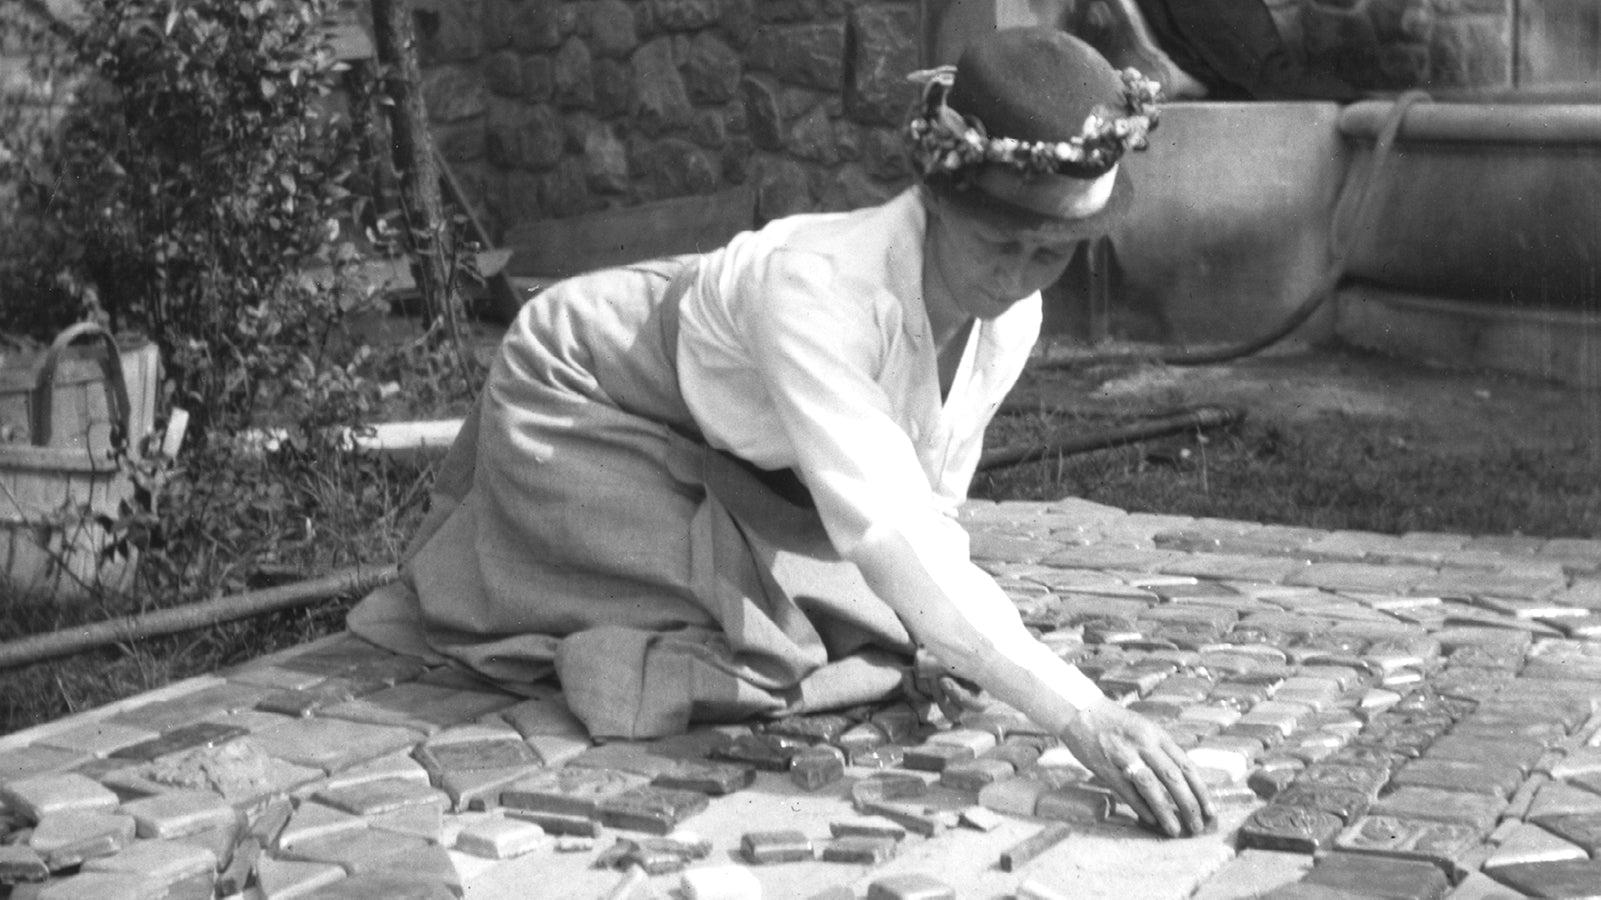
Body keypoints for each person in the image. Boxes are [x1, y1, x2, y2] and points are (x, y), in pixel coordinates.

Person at [349, 27, 1214, 838]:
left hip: (717, 427)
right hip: (579, 392)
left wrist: (946, 633)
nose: (1015, 276)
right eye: (998, 242)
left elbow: (930, 493)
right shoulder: (822, 291)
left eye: (1048, 255)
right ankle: (534, 561)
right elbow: (882, 525)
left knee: (893, 620)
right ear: (938, 199)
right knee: (770, 648)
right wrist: (1078, 713)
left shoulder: (1011, 315)